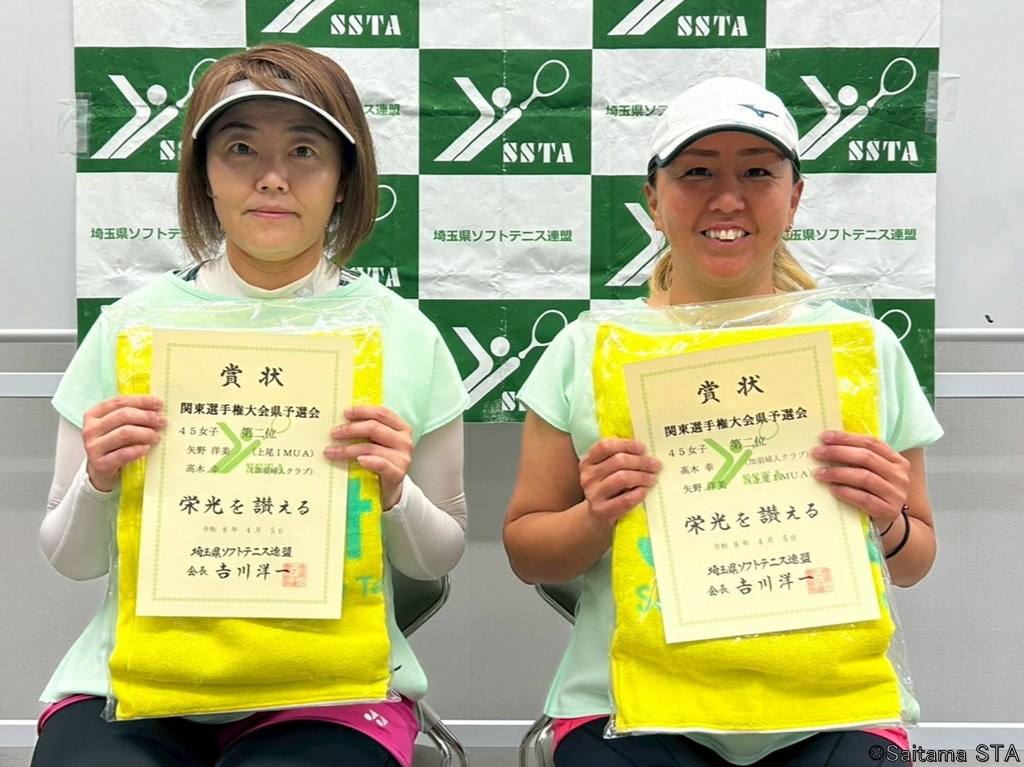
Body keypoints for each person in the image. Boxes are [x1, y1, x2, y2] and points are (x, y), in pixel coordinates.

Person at [33, 43, 468, 767]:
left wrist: (396, 491)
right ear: (202, 174)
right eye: (240, 149)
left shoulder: (403, 336)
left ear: (344, 179)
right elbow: (70, 560)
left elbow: (437, 555)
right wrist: (98, 479)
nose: (272, 177)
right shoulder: (130, 330)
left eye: (304, 151)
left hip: (327, 688)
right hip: (136, 682)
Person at [503, 76, 942, 766]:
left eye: (758, 173)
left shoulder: (861, 349)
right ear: (654, 199)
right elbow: (528, 553)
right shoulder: (590, 349)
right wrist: (596, 515)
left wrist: (887, 519)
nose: (728, 199)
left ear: (794, 197)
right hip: (626, 705)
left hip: (830, 705)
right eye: (697, 172)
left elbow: (915, 561)